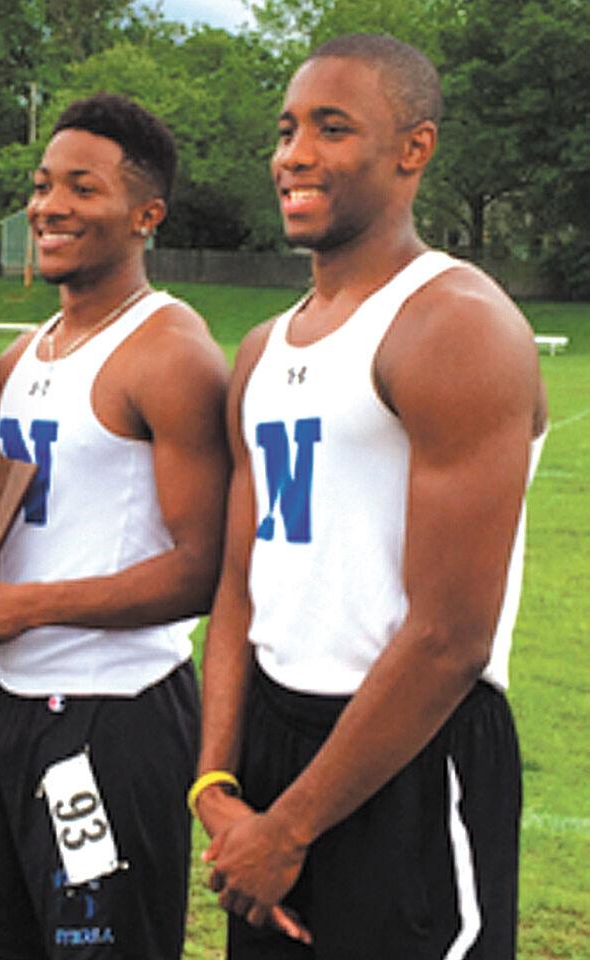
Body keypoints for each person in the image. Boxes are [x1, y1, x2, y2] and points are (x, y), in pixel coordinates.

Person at [192, 34, 549, 959]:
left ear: (413, 149)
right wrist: (218, 782)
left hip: (414, 752)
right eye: (286, 129)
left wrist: (291, 827)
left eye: (332, 127)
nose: (293, 153)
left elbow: (448, 637)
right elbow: (241, 583)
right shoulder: (263, 349)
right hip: (275, 740)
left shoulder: (455, 326)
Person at [0, 93, 230, 959]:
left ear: (145, 215)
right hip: (17, 705)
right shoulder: (23, 354)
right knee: (9, 941)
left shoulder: (171, 350)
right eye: (43, 185)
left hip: (113, 715)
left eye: (82, 188)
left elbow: (200, 569)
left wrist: (20, 608)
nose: (49, 206)